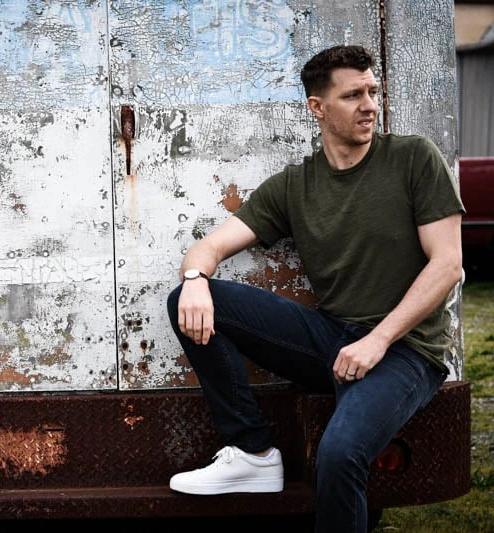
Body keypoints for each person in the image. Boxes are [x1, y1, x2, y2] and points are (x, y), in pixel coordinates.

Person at [166, 44, 465, 532]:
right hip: (332, 338)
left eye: (372, 91)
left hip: (407, 350)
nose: (370, 104)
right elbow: (208, 248)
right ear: (317, 108)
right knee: (187, 299)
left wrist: (377, 341)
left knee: (341, 453)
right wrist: (197, 278)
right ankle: (253, 453)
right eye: (353, 95)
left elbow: (448, 265)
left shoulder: (412, 159)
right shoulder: (295, 186)